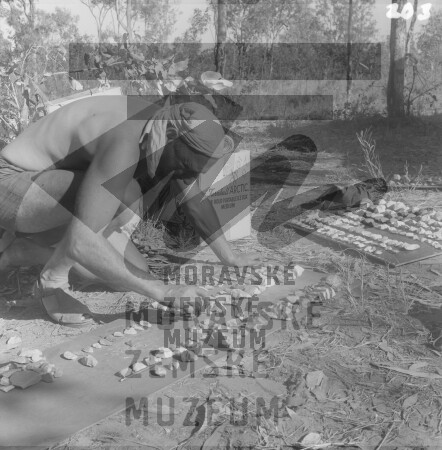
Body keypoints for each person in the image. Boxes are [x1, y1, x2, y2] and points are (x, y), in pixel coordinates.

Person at [0, 96, 260, 326]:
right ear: (171, 136)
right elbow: (82, 242)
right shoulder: (126, 139)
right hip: (11, 184)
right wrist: (165, 292)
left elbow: (192, 198)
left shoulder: (165, 129)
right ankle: (51, 280)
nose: (184, 174)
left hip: (50, 190)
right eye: (184, 166)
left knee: (128, 272)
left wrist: (230, 257)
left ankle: (23, 251)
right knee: (120, 201)